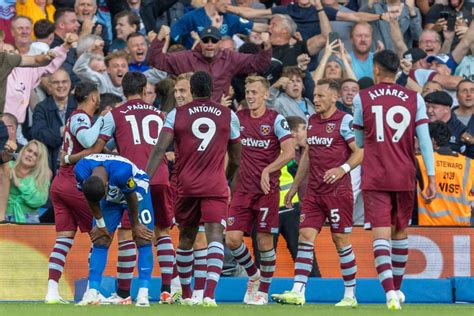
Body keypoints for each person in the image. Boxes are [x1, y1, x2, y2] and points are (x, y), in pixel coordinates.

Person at [68, 71, 175, 304]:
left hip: (133, 177)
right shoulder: (161, 114)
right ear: (145, 88)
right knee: (162, 232)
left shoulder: (114, 115)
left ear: (123, 91)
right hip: (161, 175)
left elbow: (95, 144)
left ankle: (125, 292)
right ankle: (167, 289)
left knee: (129, 233)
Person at [146, 71, 241, 306]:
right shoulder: (228, 115)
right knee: (214, 237)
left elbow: (159, 149)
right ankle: (208, 295)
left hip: (186, 185)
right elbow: (237, 159)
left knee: (186, 238)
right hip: (215, 185)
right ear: (211, 89)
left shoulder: (177, 114)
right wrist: (225, 179)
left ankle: (188, 294)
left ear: (193, 90)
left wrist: (143, 178)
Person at [352, 49, 436, 310]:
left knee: (380, 233)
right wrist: (430, 177)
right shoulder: (414, 98)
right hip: (404, 173)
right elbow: (424, 141)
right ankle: (397, 290)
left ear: (376, 70)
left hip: (376, 173)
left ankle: (389, 293)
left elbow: (358, 142)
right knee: (400, 232)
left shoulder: (362, 98)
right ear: (397, 71)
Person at [271, 79, 362, 307]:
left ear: (334, 97)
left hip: (338, 192)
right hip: (313, 193)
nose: (316, 100)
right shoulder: (311, 121)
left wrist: (341, 169)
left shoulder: (345, 121)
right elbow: (309, 156)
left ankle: (350, 295)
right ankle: (298, 291)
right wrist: (293, 187)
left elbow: (359, 153)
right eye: (316, 96)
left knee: (340, 241)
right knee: (305, 237)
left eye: (321, 96)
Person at [226, 75, 294, 305]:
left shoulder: (276, 120)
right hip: (242, 191)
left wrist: (268, 170)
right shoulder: (238, 118)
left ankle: (263, 291)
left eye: (255, 92)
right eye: (248, 92)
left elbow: (289, 152)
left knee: (264, 243)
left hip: (267, 192)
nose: (251, 96)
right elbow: (229, 151)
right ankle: (254, 275)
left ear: (266, 94)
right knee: (232, 239)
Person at [44, 82, 106, 304]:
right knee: (100, 235)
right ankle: (93, 291)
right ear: (92, 97)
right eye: (97, 96)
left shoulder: (78, 118)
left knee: (64, 239)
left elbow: (90, 146)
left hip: (61, 182)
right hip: (74, 182)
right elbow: (88, 141)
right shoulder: (81, 117)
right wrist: (103, 119)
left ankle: (51, 291)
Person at [75, 154, 154, 307]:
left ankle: (143, 294)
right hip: (110, 199)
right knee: (100, 239)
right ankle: (92, 292)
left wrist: (136, 224)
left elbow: (130, 197)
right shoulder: (81, 170)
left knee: (143, 237)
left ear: (106, 186)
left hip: (136, 191)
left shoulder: (121, 172)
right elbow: (89, 197)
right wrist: (100, 223)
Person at [149, 25, 272, 103]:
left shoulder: (230, 58)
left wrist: (266, 47)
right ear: (200, 42)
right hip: (191, 113)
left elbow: (260, 64)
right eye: (205, 40)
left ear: (220, 43)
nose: (209, 44)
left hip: (219, 113)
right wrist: (159, 39)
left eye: (214, 40)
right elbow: (157, 61)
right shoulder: (186, 57)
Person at [417, 121, 473, 226]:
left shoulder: (420, 161)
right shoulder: (470, 164)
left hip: (429, 231)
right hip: (462, 233)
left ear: (432, 141)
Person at [30, 69, 77, 174]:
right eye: (56, 82)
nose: (60, 85)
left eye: (64, 82)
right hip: (50, 161)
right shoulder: (41, 108)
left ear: (70, 84)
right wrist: (63, 130)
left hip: (76, 159)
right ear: (50, 87)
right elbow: (38, 134)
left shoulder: (79, 104)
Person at [5, 140, 51, 223]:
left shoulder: (41, 176)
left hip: (29, 219)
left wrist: (19, 185)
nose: (30, 155)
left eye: (35, 154)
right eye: (29, 151)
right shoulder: (8, 166)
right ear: (23, 151)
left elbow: (39, 201)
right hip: (3, 217)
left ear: (39, 160)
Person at [425, 90, 473, 158]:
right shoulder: (422, 126)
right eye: (427, 107)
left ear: (447, 109)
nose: (429, 111)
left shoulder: (460, 130)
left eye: (434, 107)